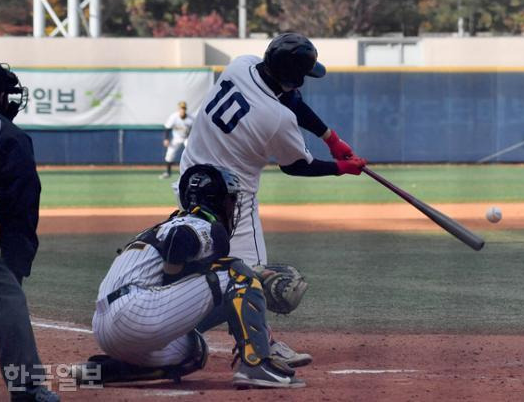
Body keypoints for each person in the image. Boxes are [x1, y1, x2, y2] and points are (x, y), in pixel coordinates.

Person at [179, 32, 367, 366]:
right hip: (232, 197)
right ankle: (243, 344)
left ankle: (199, 323)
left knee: (213, 262)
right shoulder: (274, 119)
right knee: (251, 275)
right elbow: (296, 167)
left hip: (192, 177)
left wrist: (329, 137)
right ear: (292, 77)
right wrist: (342, 168)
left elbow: (288, 98)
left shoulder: (242, 65)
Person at [71, 164, 304, 389]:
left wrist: (254, 279)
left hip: (106, 329)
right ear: (217, 200)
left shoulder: (165, 225)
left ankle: (101, 371)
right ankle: (257, 365)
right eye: (230, 200)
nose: (233, 206)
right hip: (137, 313)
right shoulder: (200, 222)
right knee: (236, 272)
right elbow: (180, 240)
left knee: (194, 351)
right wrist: (251, 278)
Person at [0, 62, 60, 401]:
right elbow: (18, 211)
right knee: (3, 293)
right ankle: (27, 389)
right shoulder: (6, 135)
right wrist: (15, 266)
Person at [159, 101, 194, 179]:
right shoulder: (174, 117)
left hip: (187, 138)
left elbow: (195, 129)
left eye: (184, 108)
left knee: (191, 154)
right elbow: (167, 128)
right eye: (181, 108)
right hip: (176, 138)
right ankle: (168, 172)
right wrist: (166, 139)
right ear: (178, 109)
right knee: (170, 154)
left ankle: (192, 172)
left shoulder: (191, 118)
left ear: (186, 109)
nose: (182, 110)